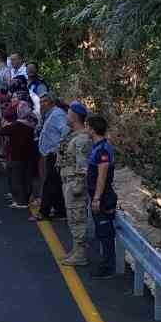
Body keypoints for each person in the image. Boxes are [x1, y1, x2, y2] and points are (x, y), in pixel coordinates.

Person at [59, 103, 93, 266]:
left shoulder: (81, 139)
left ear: (74, 117)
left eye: (68, 114)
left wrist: (78, 185)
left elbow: (83, 165)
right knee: (73, 217)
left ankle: (80, 253)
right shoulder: (73, 135)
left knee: (77, 217)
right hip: (69, 181)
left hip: (74, 183)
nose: (66, 116)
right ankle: (75, 250)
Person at [87, 113, 118, 277]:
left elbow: (102, 176)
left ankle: (108, 267)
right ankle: (106, 264)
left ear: (92, 130)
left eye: (88, 127)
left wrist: (97, 198)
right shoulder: (98, 147)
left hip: (103, 197)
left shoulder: (103, 150)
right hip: (98, 195)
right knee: (102, 231)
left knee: (105, 233)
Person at [33, 91, 69, 221]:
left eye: (45, 101)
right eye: (41, 102)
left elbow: (65, 131)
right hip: (49, 153)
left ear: (52, 102)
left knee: (50, 182)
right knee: (55, 182)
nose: (42, 104)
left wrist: (57, 148)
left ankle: (44, 212)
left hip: (55, 154)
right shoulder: (49, 114)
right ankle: (60, 211)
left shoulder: (57, 114)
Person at [4, 100, 38, 207]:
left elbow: (0, 131)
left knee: (17, 178)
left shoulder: (14, 125)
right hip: (29, 154)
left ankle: (20, 201)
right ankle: (27, 198)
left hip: (15, 155)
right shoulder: (32, 124)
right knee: (27, 177)